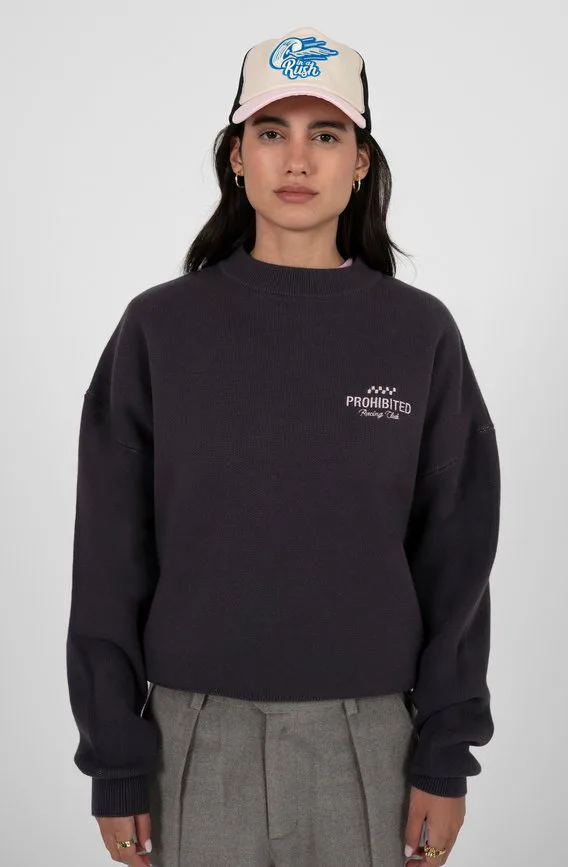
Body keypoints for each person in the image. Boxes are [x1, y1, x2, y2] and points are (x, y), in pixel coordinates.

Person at [66, 25, 501, 867]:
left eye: (325, 135)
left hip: (370, 739)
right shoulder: (158, 328)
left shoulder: (419, 335)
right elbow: (110, 557)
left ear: (360, 162)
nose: (296, 160)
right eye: (272, 132)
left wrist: (445, 755)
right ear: (237, 156)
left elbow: (457, 559)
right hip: (193, 737)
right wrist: (116, 759)